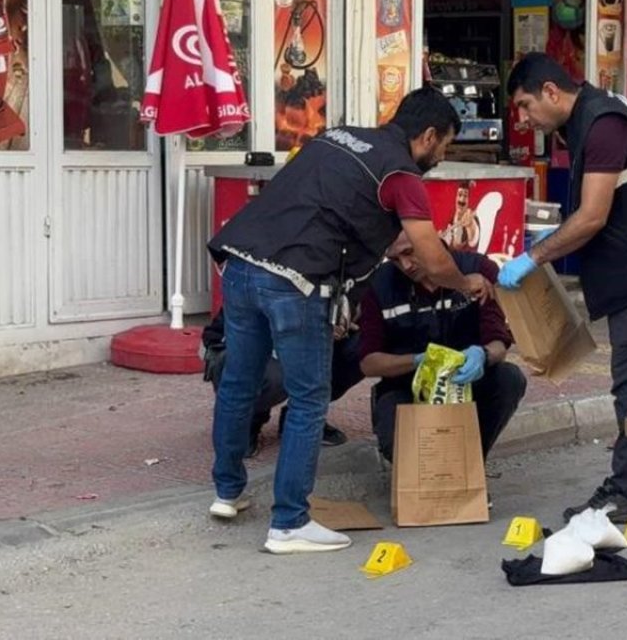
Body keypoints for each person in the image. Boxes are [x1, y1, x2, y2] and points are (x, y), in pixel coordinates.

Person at [205, 88, 493, 555]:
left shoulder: (338, 136)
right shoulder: (400, 172)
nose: (441, 158)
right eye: (444, 147)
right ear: (427, 135)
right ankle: (289, 523)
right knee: (309, 399)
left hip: (240, 262)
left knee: (239, 381)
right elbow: (431, 255)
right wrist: (466, 283)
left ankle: (227, 492)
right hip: (295, 281)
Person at [497, 52, 627, 525]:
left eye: (526, 106)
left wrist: (535, 256)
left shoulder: (602, 124)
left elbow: (592, 215)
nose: (526, 120)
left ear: (550, 91)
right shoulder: (601, 109)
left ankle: (625, 494)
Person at [359, 232, 525, 462]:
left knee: (510, 379)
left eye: (409, 252)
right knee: (395, 438)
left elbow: (498, 342)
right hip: (407, 386)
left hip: (466, 383)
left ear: (431, 241)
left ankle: (471, 464)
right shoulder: (379, 285)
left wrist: (482, 354)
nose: (405, 265)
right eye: (395, 259)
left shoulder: (477, 269)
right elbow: (369, 362)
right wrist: (419, 360)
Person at [200, 310, 359, 457]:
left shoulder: (334, 282)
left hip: (299, 342)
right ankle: (247, 420)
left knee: (364, 347)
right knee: (276, 376)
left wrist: (342, 322)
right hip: (247, 348)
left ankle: (303, 414)